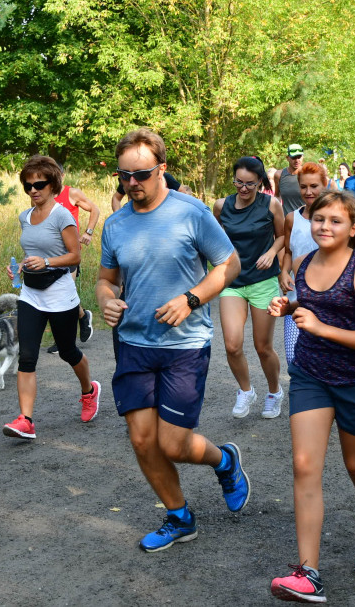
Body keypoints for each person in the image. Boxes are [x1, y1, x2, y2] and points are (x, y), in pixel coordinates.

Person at [96, 128, 249, 553]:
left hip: (184, 344)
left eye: (141, 175)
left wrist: (192, 298)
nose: (131, 185)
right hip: (133, 344)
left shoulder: (192, 212)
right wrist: (107, 299)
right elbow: (106, 279)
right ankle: (179, 516)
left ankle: (225, 460)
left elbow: (229, 264)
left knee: (173, 444)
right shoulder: (115, 224)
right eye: (124, 176)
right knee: (143, 440)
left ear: (162, 168)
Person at [267, 191, 355, 603]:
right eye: (319, 219)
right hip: (311, 375)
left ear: (353, 229)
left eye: (335, 221)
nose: (325, 227)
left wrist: (320, 327)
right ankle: (308, 573)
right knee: (304, 466)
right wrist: (288, 307)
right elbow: (312, 305)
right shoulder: (302, 264)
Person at [3, 155, 99, 439]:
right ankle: (26, 420)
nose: (33, 190)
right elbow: (31, 251)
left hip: (59, 294)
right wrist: (20, 267)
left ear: (52, 184)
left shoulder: (62, 215)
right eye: (28, 185)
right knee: (27, 356)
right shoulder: (24, 216)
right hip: (31, 294)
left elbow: (74, 256)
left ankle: (89, 391)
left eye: (39, 184)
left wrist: (45, 263)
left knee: (68, 351)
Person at [214, 157, 286, 419]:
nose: (243, 189)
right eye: (239, 183)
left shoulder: (271, 205)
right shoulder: (221, 206)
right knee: (232, 345)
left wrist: (272, 252)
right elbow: (216, 237)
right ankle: (246, 391)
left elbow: (282, 236)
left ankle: (274, 391)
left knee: (262, 346)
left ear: (260, 183)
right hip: (232, 281)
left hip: (262, 280)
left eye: (250, 185)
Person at [280, 163, 328, 370]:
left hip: (328, 297)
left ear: (325, 185)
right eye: (303, 187)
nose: (308, 192)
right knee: (293, 358)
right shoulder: (291, 218)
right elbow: (289, 251)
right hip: (297, 297)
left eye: (314, 186)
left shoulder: (335, 219)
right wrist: (283, 272)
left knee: (325, 355)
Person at [46, 180, 99, 352]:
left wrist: (88, 232)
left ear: (59, 175)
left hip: (70, 252)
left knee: (62, 293)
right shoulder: (41, 194)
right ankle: (83, 316)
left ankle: (63, 341)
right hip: (49, 254)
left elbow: (94, 209)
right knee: (56, 295)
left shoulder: (72, 193)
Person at [111, 170, 189, 211]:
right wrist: (118, 216)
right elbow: (116, 198)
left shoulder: (166, 176)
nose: (133, 183)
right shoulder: (127, 179)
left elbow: (182, 192)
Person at [275, 143, 306, 214]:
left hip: (305, 219)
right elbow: (277, 195)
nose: (297, 160)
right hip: (286, 221)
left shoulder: (308, 174)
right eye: (294, 157)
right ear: (287, 158)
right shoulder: (279, 175)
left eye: (299, 157)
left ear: (303, 157)